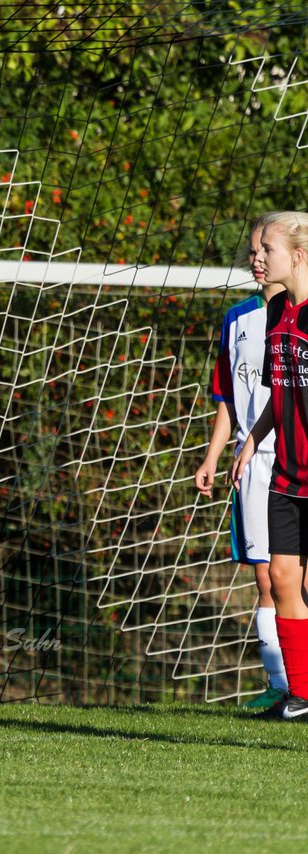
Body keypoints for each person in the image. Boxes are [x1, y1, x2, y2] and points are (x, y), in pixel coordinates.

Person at [196, 213, 287, 713]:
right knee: (266, 578)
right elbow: (228, 399)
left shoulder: (303, 315)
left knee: (298, 577)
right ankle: (282, 685)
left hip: (296, 457)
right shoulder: (237, 318)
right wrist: (213, 456)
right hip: (251, 463)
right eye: (251, 250)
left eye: (263, 249)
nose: (255, 258)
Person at [233, 210, 308, 721]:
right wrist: (253, 438)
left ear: (298, 256)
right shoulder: (277, 310)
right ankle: (299, 697)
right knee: (282, 579)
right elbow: (276, 390)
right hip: (288, 473)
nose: (258, 258)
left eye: (267, 250)